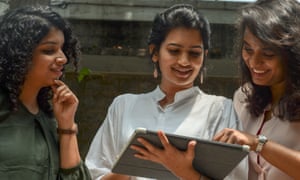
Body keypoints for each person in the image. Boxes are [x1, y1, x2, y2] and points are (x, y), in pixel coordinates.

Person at [85, 4, 246, 180]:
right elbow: (93, 174)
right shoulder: (124, 106)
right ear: (154, 52)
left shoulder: (220, 109)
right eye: (174, 51)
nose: (184, 61)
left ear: (204, 56)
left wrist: (183, 169)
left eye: (194, 53)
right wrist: (130, 165)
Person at [0, 6, 91, 180]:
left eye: (63, 48)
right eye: (49, 50)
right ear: (19, 54)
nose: (63, 58)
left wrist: (67, 128)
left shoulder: (51, 119)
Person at [213, 0, 300, 179]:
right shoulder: (243, 97)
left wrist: (257, 144)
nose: (253, 62)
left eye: (268, 54)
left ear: (293, 53)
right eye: (248, 49)